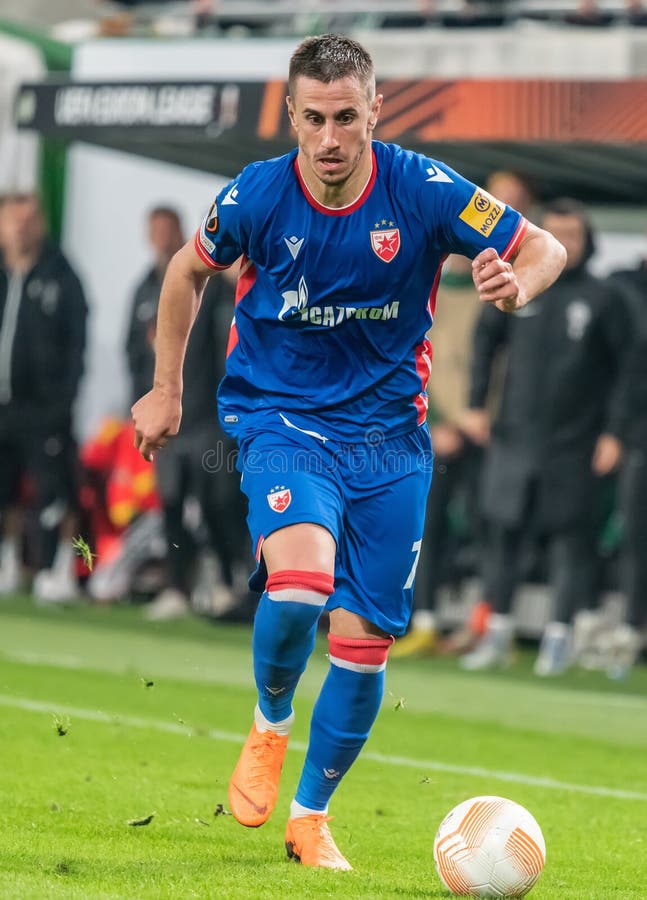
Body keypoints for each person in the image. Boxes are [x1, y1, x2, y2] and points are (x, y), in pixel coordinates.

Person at [131, 34, 565, 870]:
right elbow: (186, 273)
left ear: (375, 112)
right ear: (291, 116)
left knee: (363, 646)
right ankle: (268, 724)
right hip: (280, 419)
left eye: (345, 118)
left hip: (389, 442)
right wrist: (168, 389)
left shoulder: (424, 188)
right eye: (312, 119)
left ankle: (310, 818)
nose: (329, 139)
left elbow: (540, 246)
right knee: (299, 587)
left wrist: (521, 284)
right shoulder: (256, 195)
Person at [460, 199, 633, 676]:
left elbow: (628, 372)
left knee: (570, 542)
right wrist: (476, 403)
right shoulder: (519, 282)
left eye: (572, 235)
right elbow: (484, 341)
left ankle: (558, 639)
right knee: (503, 536)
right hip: (515, 435)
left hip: (577, 441)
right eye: (553, 232)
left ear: (587, 241)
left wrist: (615, 433)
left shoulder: (606, 298)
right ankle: (496, 635)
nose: (563, 242)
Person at [126, 207, 247, 621]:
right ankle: (178, 586)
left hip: (211, 418)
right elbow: (133, 352)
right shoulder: (147, 287)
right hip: (171, 418)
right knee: (172, 504)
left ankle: (234, 583)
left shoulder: (216, 289)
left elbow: (225, 356)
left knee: (220, 504)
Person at [0, 192, 87, 601]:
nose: (19, 228)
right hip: (4, 406)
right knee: (6, 491)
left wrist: (63, 401)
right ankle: (12, 563)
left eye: (27, 220)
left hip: (46, 408)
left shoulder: (62, 275)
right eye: (11, 220)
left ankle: (59, 570)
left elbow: (75, 346)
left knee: (55, 490)